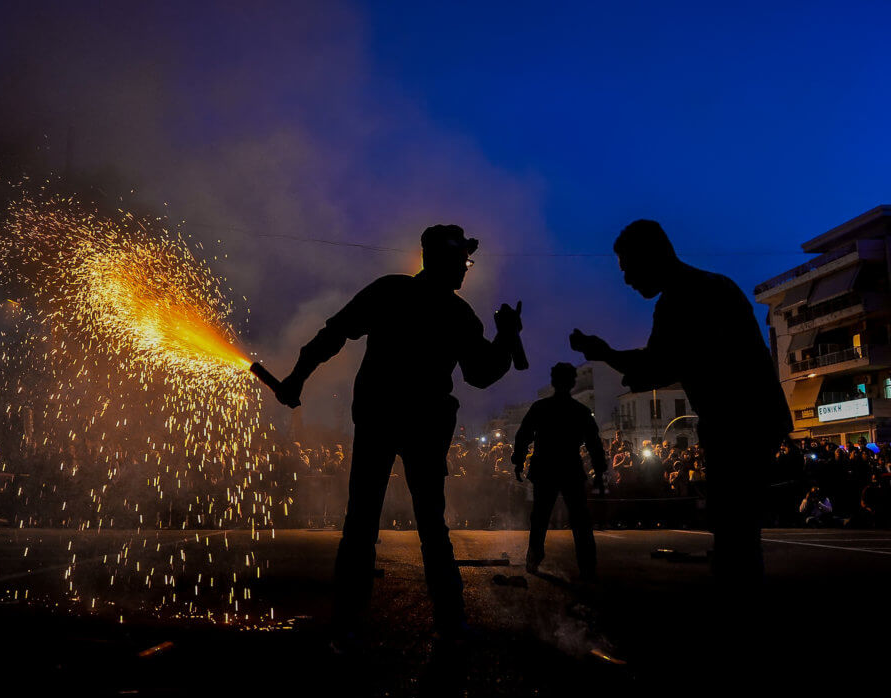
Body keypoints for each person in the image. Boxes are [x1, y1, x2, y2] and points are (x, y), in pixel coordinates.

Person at [274, 224, 524, 643]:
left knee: (362, 521)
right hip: (423, 424)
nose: (466, 269)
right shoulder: (457, 313)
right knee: (431, 524)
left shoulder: (391, 292)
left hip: (379, 417)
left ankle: (349, 621)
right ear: (443, 259)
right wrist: (506, 337)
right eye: (463, 261)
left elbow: (332, 334)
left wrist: (297, 378)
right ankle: (450, 619)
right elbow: (482, 374)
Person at [571, 219, 791, 592]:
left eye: (628, 268)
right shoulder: (715, 286)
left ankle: (741, 599)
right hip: (757, 418)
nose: (626, 280)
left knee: (733, 524)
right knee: (738, 524)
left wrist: (605, 353)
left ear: (650, 257)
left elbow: (656, 366)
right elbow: (664, 364)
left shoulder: (680, 299)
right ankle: (741, 590)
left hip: (737, 423)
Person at [511, 363, 606, 580]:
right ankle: (587, 565)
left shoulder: (540, 408)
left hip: (544, 468)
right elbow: (594, 444)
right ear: (573, 383)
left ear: (554, 381)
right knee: (580, 519)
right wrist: (599, 472)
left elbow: (522, 435)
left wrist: (518, 462)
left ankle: (534, 558)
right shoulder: (580, 411)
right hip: (570, 468)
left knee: (540, 516)